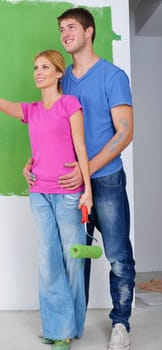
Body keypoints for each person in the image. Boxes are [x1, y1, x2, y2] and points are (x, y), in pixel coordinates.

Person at [0, 49, 93, 350]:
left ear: (58, 73)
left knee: (73, 260)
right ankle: (59, 328)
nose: (38, 72)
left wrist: (87, 190)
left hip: (68, 193)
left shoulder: (70, 104)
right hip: (39, 192)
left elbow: (81, 147)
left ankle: (72, 324)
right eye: (35, 68)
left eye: (45, 67)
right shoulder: (32, 110)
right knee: (47, 260)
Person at [23, 7, 135, 350]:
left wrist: (86, 171)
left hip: (107, 181)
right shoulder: (62, 77)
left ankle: (120, 323)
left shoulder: (112, 76)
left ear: (89, 32)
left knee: (116, 254)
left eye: (71, 27)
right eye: (61, 29)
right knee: (74, 257)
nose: (65, 33)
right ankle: (70, 326)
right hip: (67, 187)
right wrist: (35, 159)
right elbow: (53, 126)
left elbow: (125, 132)